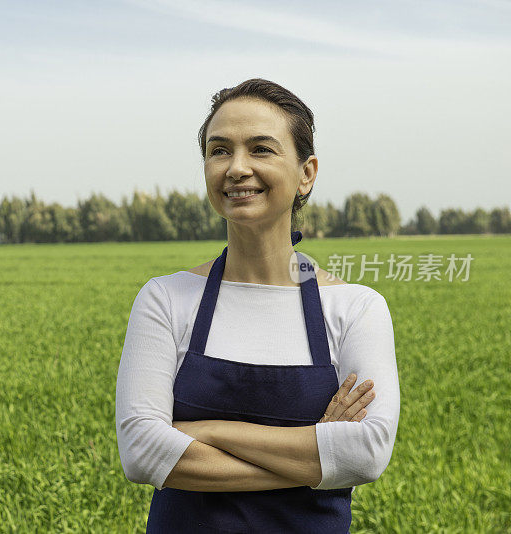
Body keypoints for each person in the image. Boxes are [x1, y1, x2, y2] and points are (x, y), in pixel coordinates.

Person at [115, 78, 401, 533]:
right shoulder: (166, 300)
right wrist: (315, 460)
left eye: (261, 149)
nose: (236, 168)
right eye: (219, 150)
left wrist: (206, 431)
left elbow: (365, 453)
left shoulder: (355, 309)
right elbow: (142, 452)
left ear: (307, 173)